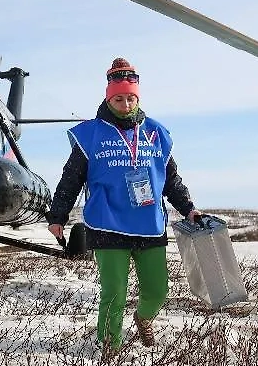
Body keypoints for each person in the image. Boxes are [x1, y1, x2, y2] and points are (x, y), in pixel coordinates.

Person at [46, 58, 201, 351]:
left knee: (157, 291)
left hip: (149, 225)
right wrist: (58, 215)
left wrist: (189, 207)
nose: (126, 104)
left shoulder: (156, 133)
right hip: (107, 224)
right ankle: (109, 347)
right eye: (119, 98)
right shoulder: (90, 134)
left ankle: (143, 318)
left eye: (131, 98)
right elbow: (71, 179)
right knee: (114, 293)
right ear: (108, 97)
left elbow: (170, 180)